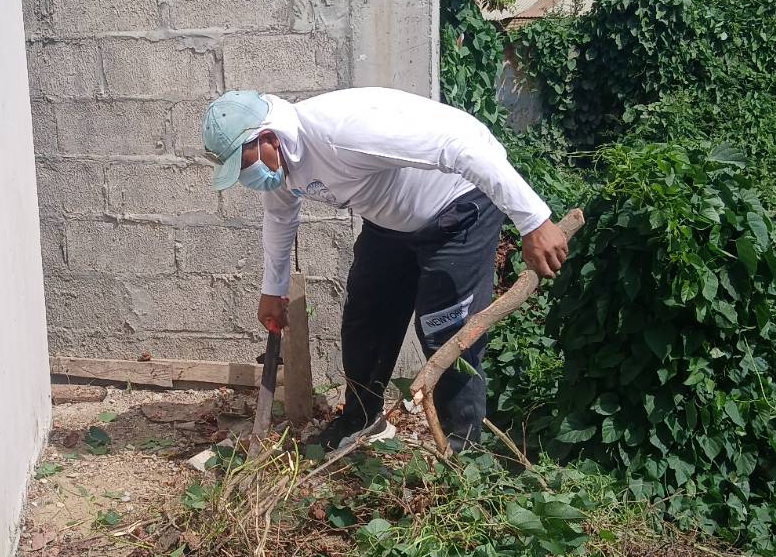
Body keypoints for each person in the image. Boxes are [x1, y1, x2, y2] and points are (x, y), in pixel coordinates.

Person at [200, 87, 567, 453]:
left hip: (457, 208)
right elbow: (280, 217)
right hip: (390, 222)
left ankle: (463, 452)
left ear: (267, 138)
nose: (245, 177)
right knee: (365, 318)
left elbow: (460, 145)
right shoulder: (281, 164)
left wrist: (533, 221)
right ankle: (362, 420)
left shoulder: (341, 133)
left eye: (243, 165)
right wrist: (273, 289)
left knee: (445, 332)